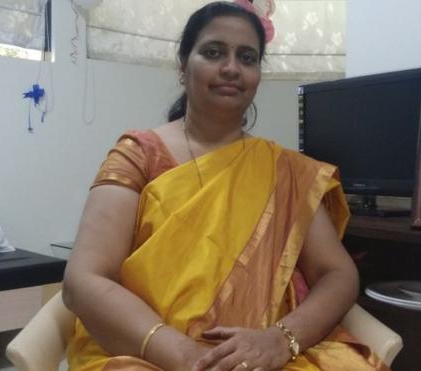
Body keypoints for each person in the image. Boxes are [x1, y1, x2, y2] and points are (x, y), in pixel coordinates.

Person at [62, 2, 388, 370]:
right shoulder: (139, 155)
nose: (231, 68)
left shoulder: (286, 171)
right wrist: (186, 356)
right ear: (183, 67)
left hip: (259, 357)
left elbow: (338, 273)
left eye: (246, 57)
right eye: (213, 52)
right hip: (147, 351)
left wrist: (281, 339)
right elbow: (83, 280)